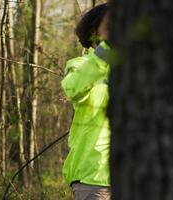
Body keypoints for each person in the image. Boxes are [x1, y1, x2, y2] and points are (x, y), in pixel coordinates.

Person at [61, 3, 111, 200]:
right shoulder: (80, 65)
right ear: (93, 33)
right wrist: (106, 53)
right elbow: (72, 88)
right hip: (94, 178)